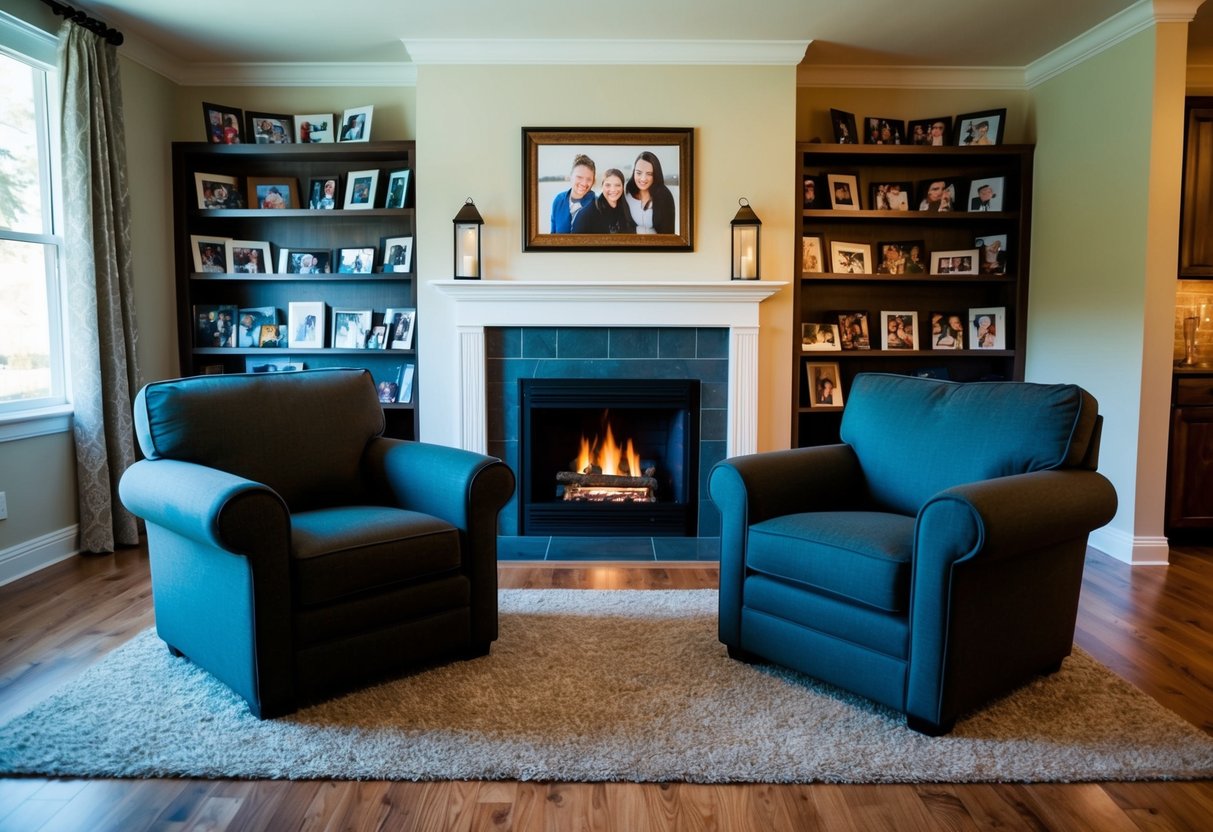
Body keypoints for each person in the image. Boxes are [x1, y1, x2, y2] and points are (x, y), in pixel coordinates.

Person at [572, 168, 636, 234]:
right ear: (602, 187)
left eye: (617, 185)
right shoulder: (588, 212)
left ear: (622, 187)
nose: (613, 189)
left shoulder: (625, 208)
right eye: (608, 185)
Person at [625, 150, 676, 234]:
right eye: (639, 173)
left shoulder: (665, 196)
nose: (643, 178)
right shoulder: (627, 191)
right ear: (634, 172)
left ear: (655, 175)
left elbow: (668, 233)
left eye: (649, 174)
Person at [550, 153, 597, 233]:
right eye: (579, 177)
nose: (584, 183)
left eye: (588, 179)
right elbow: (553, 236)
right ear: (571, 176)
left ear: (593, 181)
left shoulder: (598, 205)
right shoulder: (558, 200)